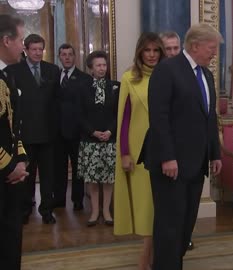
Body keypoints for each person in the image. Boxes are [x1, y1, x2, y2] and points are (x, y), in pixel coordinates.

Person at [142, 23, 223, 270]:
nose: (214, 53)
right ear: (195, 45)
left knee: (186, 225)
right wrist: (168, 157)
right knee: (169, 225)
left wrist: (215, 153)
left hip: (196, 163)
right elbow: (159, 117)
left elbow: (210, 116)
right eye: (211, 48)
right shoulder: (167, 70)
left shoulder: (206, 74)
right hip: (171, 164)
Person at [114, 32, 164, 270]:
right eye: (147, 50)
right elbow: (123, 120)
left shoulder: (168, 76)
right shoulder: (128, 78)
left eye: (156, 50)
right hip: (138, 152)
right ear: (140, 53)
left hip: (164, 151)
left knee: (159, 208)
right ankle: (145, 261)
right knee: (146, 208)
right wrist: (124, 152)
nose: (152, 55)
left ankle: (154, 258)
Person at [8, 33, 60, 225]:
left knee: (48, 176)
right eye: (34, 49)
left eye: (41, 49)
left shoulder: (53, 70)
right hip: (25, 133)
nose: (38, 53)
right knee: (26, 176)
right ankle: (25, 209)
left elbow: (57, 102)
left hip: (48, 133)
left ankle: (47, 210)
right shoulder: (14, 71)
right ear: (26, 50)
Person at [159, 29, 196, 251]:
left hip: (184, 149)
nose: (172, 53)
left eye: (176, 48)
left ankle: (183, 238)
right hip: (159, 149)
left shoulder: (190, 73)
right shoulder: (155, 74)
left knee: (185, 203)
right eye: (168, 49)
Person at [0, 14, 29, 270]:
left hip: (9, 174)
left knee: (11, 240)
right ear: (6, 40)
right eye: (20, 40)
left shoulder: (7, 75)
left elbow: (13, 126)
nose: (23, 46)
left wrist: (20, 160)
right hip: (2, 172)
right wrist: (10, 166)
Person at [77, 51, 119, 227]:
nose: (102, 68)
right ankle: (94, 212)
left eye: (104, 65)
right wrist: (93, 132)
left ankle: (107, 211)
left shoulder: (116, 86)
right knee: (92, 179)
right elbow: (79, 115)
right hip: (90, 140)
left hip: (109, 139)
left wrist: (110, 131)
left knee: (108, 178)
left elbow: (120, 113)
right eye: (98, 66)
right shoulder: (82, 87)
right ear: (91, 69)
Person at [53, 43, 91, 211]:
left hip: (77, 131)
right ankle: (59, 199)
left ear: (75, 57)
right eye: (63, 54)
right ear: (59, 57)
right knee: (59, 168)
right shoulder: (53, 77)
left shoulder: (85, 78)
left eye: (70, 54)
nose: (67, 57)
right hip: (57, 132)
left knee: (78, 168)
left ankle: (77, 200)